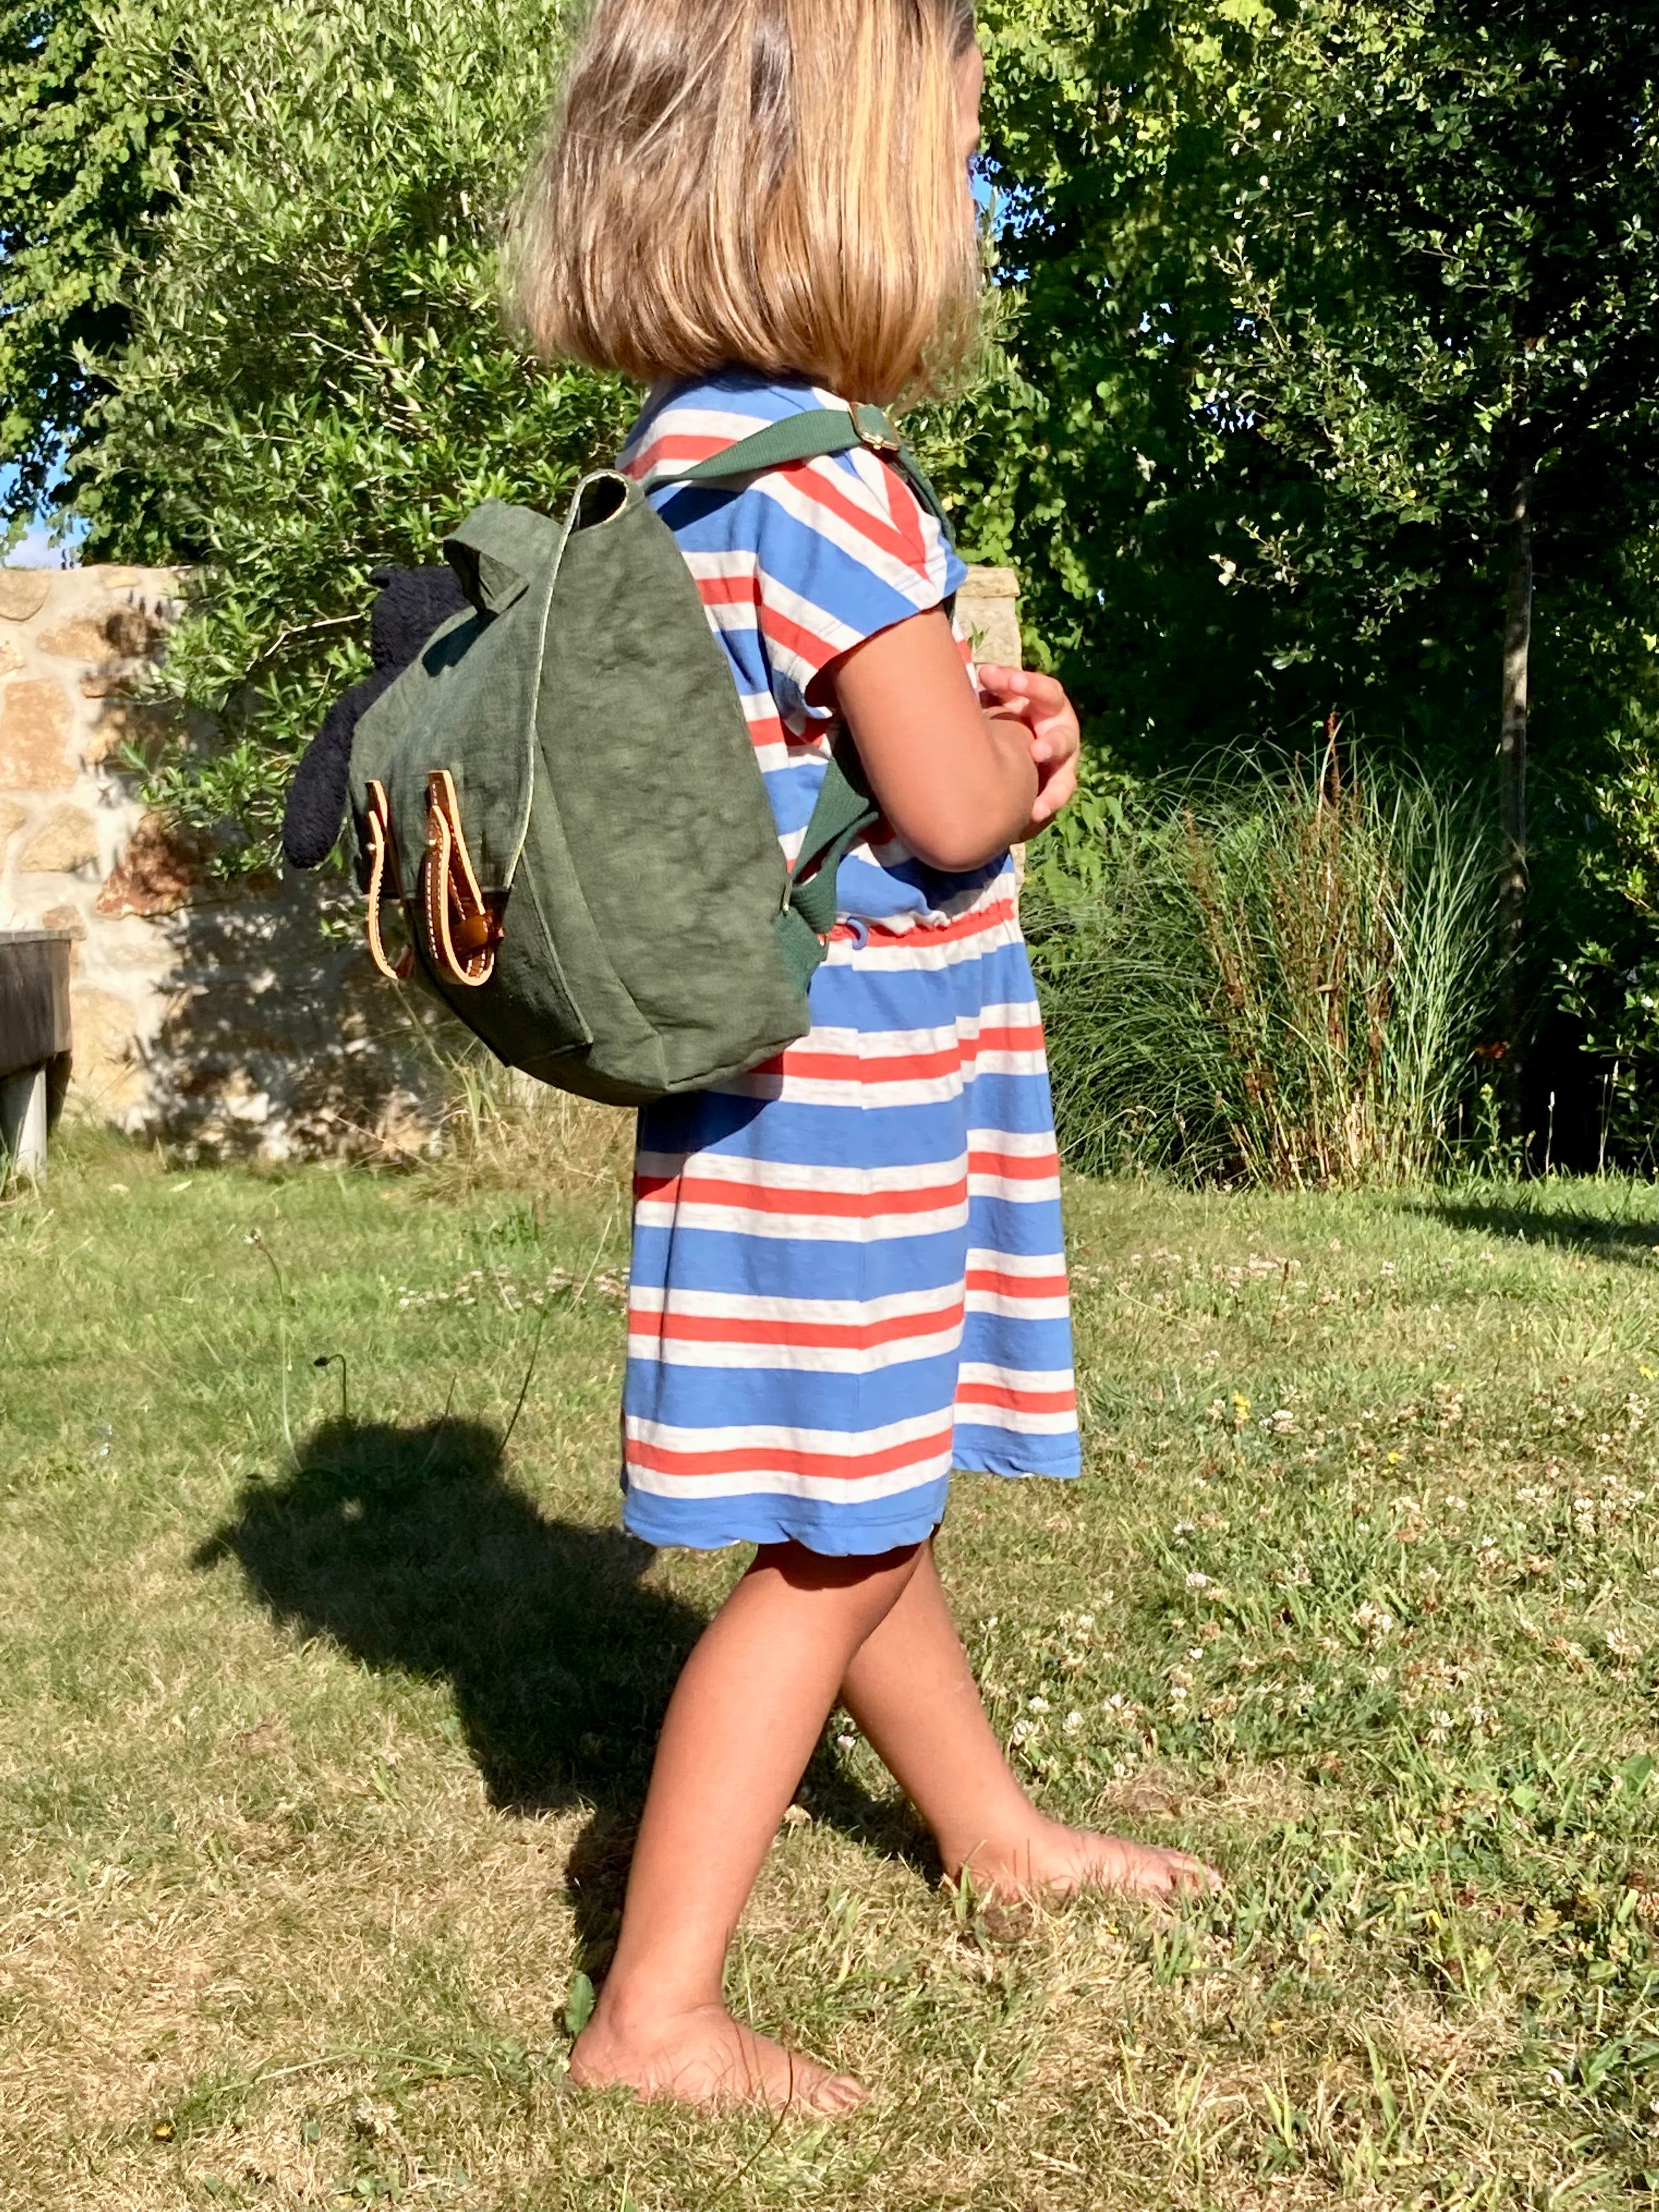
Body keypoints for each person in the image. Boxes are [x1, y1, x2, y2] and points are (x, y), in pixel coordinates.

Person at [510, 0, 1217, 2116]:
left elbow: (823, 756)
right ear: (849, 189)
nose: (966, 204)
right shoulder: (830, 484)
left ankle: (989, 1835)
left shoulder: (672, 461)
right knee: (835, 1540)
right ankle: (656, 2015)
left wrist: (967, 739)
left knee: (864, 1480)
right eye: (952, 159)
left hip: (757, 1085)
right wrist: (1022, 755)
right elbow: (948, 804)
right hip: (858, 1093)